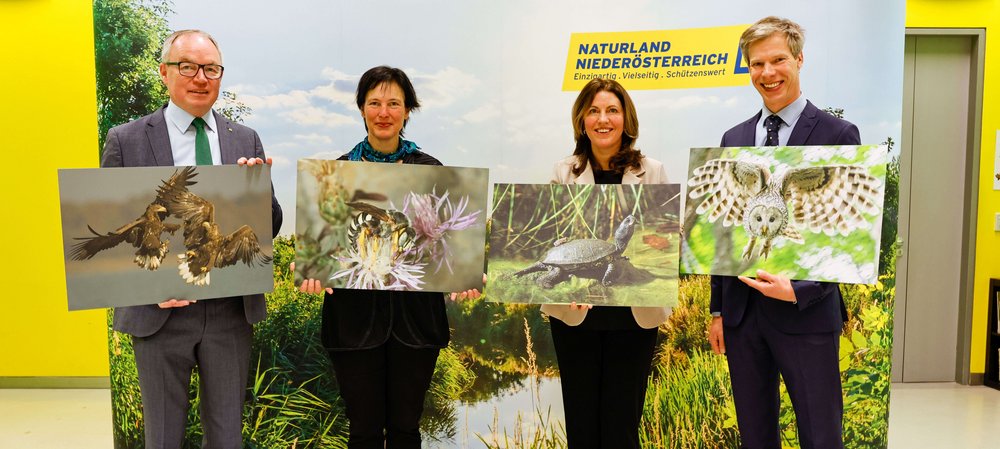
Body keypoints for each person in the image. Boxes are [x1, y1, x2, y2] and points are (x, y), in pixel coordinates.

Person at [101, 30, 282, 449]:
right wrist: (147, 287)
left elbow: (269, 227)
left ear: (220, 76)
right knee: (162, 438)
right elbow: (113, 230)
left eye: (211, 68)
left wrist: (257, 192)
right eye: (188, 66)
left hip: (230, 313)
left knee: (227, 438)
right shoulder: (125, 139)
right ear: (165, 72)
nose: (201, 77)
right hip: (158, 314)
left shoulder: (246, 138)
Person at [297, 65, 479, 449]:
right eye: (375, 102)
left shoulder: (432, 171)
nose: (384, 112)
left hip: (416, 326)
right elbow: (323, 247)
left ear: (408, 110)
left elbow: (449, 247)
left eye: (394, 103)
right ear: (361, 108)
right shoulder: (335, 173)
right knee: (362, 430)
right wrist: (315, 271)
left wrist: (464, 275)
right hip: (353, 324)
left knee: (405, 429)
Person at [707, 16, 860, 449]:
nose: (767, 73)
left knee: (820, 435)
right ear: (748, 69)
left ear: (799, 59)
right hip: (741, 317)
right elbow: (725, 230)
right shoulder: (733, 137)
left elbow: (847, 232)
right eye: (757, 64)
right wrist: (718, 310)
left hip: (806, 313)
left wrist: (801, 289)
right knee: (755, 437)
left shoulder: (837, 134)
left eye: (778, 60)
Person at [542, 77, 669, 449]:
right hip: (575, 315)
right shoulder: (562, 172)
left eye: (612, 110)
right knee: (582, 425)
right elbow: (555, 235)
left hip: (634, 316)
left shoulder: (653, 170)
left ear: (625, 118)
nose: (603, 119)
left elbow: (664, 237)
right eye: (593, 111)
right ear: (582, 120)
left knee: (622, 426)